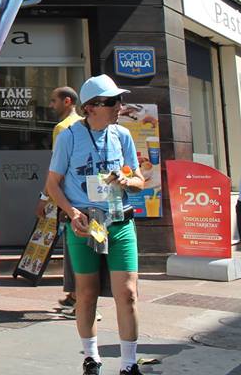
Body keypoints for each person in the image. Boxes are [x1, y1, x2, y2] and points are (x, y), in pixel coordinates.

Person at [45, 74, 145, 375]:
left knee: (127, 293)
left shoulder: (122, 135)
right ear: (91, 107)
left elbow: (140, 180)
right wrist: (72, 213)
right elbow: (53, 184)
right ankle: (91, 357)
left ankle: (129, 364)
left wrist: (126, 180)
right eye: (113, 101)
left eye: (119, 100)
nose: (119, 106)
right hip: (85, 224)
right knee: (86, 293)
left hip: (119, 221)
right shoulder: (69, 137)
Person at [35, 87, 83, 316]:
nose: (51, 105)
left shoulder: (62, 128)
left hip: (65, 198)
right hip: (80, 196)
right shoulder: (83, 125)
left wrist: (44, 198)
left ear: (67, 101)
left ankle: (80, 300)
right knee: (77, 247)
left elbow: (57, 169)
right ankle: (75, 296)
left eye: (54, 101)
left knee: (74, 248)